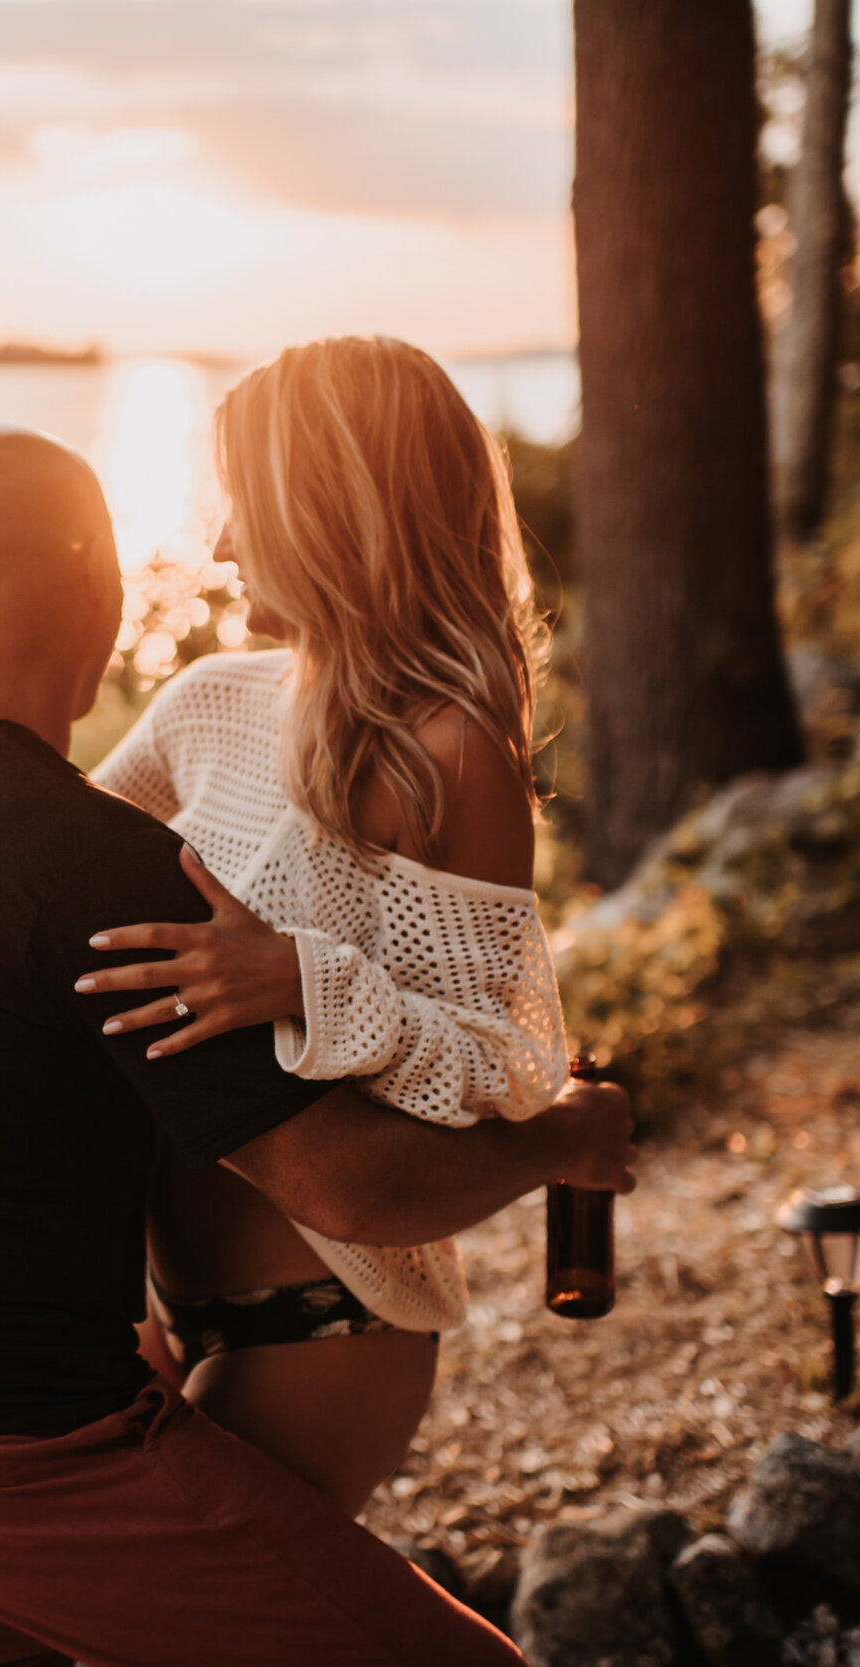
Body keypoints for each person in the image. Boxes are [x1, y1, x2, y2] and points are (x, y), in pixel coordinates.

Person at [0, 422, 634, 1667]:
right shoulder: (92, 859)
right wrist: (563, 1141)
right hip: (3, 1452)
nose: (219, 545)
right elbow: (348, 1184)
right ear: (102, 595)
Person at [74, 335, 569, 1516]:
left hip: (325, 1325)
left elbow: (496, 1069)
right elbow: (32, 864)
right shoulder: (207, 705)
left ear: (332, 513)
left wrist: (304, 976)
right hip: (145, 1301)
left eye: (245, 507)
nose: (224, 542)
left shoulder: (451, 757)